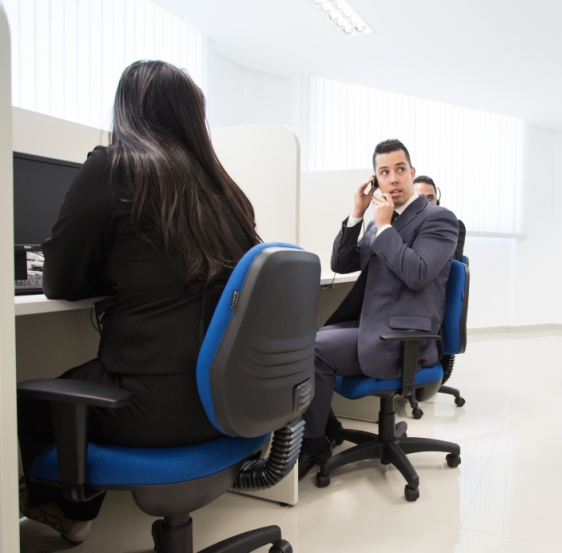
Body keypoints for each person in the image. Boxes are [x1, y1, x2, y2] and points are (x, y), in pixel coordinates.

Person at [18, 60, 259, 544]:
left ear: (127, 110)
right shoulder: (228, 193)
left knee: (29, 399)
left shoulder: (114, 166)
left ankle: (70, 512)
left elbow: (59, 282)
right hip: (231, 400)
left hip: (155, 411)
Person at [298, 139, 458, 478]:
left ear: (412, 174)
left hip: (406, 338)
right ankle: (326, 427)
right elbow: (342, 263)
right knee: (305, 343)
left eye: (400, 169)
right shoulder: (377, 221)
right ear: (375, 181)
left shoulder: (439, 219)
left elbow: (416, 273)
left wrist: (384, 226)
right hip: (374, 326)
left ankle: (312, 445)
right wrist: (357, 214)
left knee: (314, 350)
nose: (394, 179)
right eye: (384, 172)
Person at [413, 175, 466, 261]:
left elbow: (447, 263)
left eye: (430, 198)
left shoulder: (454, 226)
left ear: (437, 202)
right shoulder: (404, 226)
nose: (426, 203)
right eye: (420, 198)